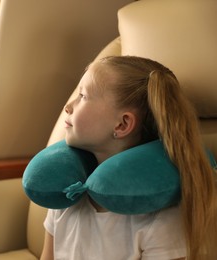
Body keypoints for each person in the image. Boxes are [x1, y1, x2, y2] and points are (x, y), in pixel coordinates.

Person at [40, 56, 217, 260]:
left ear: (122, 124)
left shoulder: (161, 218)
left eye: (82, 96)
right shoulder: (67, 192)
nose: (68, 106)